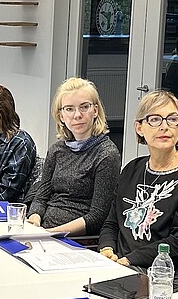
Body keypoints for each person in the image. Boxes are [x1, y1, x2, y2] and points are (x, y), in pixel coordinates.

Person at [98, 89, 178, 279]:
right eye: (155, 119)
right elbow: (112, 222)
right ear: (139, 127)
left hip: (166, 275)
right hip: (121, 265)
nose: (164, 127)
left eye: (172, 119)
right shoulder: (131, 169)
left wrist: (128, 261)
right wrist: (107, 249)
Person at [29, 78, 121, 237]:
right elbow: (40, 197)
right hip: (43, 231)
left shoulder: (106, 154)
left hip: (76, 239)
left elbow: (98, 216)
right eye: (69, 109)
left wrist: (49, 234)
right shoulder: (57, 150)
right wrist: (34, 221)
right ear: (61, 116)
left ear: (95, 111)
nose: (77, 115)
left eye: (84, 107)